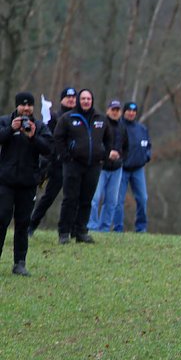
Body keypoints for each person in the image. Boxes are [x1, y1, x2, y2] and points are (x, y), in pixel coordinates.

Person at [53, 89, 118, 244]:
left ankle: (81, 231)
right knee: (70, 199)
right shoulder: (67, 118)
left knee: (86, 200)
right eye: (83, 98)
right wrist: (65, 156)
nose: (86, 101)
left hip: (93, 165)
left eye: (89, 98)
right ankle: (64, 232)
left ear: (92, 100)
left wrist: (104, 154)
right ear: (78, 100)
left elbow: (109, 138)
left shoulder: (101, 119)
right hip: (73, 165)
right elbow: (58, 137)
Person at [0, 92, 53, 276]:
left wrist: (32, 137)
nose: (26, 108)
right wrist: (10, 130)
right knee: (1, 219)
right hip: (5, 182)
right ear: (16, 106)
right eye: (23, 105)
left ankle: (19, 263)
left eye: (29, 105)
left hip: (28, 183)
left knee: (23, 223)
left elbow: (49, 149)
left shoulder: (39, 126)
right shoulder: (5, 122)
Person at [28, 86, 76, 236]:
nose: (71, 99)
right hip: (57, 163)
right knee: (49, 197)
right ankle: (32, 225)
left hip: (74, 163)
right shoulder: (54, 116)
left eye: (74, 97)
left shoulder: (78, 117)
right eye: (68, 97)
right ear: (62, 99)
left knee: (74, 198)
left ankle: (72, 229)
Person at [87, 99, 127, 232]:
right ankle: (92, 226)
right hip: (101, 167)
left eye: (117, 110)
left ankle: (104, 228)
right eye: (113, 110)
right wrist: (107, 154)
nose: (115, 112)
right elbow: (96, 143)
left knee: (111, 201)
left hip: (116, 168)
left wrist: (121, 157)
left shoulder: (122, 127)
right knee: (95, 197)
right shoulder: (101, 124)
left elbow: (126, 146)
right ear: (108, 110)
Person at [113, 101, 151, 233]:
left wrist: (147, 156)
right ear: (124, 112)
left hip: (138, 170)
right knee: (118, 201)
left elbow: (148, 146)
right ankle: (118, 228)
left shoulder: (142, 129)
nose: (131, 113)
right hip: (122, 169)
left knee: (142, 198)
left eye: (134, 111)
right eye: (129, 110)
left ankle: (141, 228)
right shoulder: (119, 127)